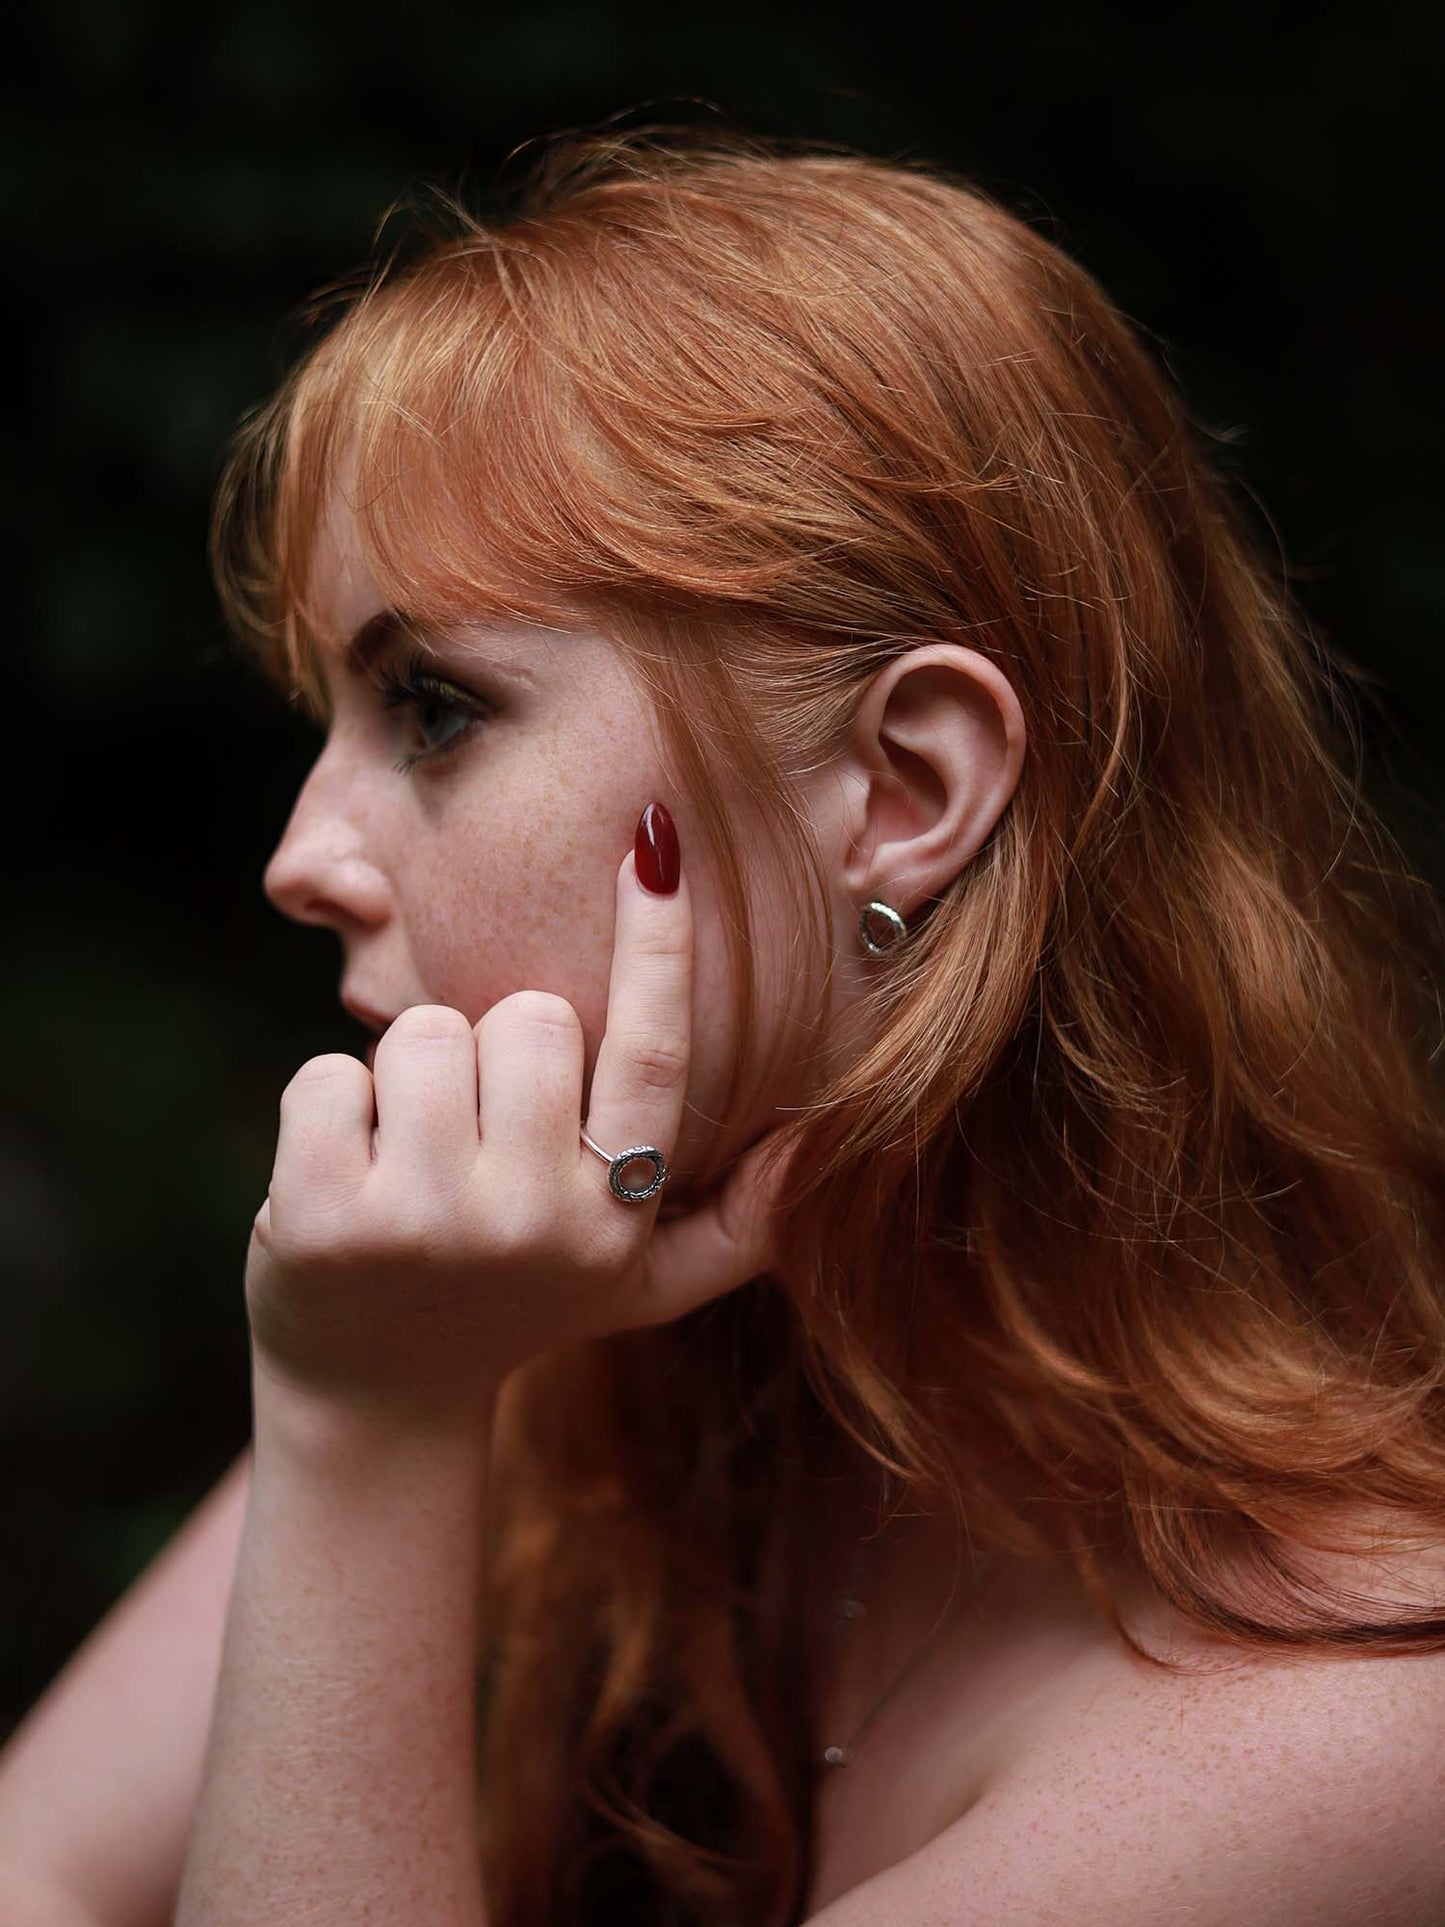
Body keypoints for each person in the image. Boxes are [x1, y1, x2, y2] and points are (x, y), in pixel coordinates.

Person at [2, 127, 1444, 1927]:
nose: (302, 857)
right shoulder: (554, 1357)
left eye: (433, 707)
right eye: (328, 719)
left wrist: (362, 1434)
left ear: (907, 786)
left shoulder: (1348, 1725)